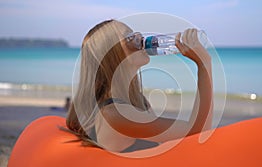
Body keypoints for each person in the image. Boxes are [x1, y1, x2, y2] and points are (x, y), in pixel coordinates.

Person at [65, 19, 213, 153]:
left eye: (137, 34)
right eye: (130, 38)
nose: (140, 39)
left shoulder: (137, 100)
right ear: (110, 55)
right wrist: (204, 64)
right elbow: (196, 134)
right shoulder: (116, 114)